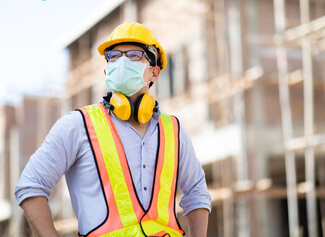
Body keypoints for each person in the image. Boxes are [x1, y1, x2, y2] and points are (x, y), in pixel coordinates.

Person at [15, 20, 211, 237]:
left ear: (154, 73)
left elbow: (196, 193)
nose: (122, 62)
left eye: (135, 55)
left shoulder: (174, 130)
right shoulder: (77, 125)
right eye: (114, 56)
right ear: (107, 69)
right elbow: (31, 185)